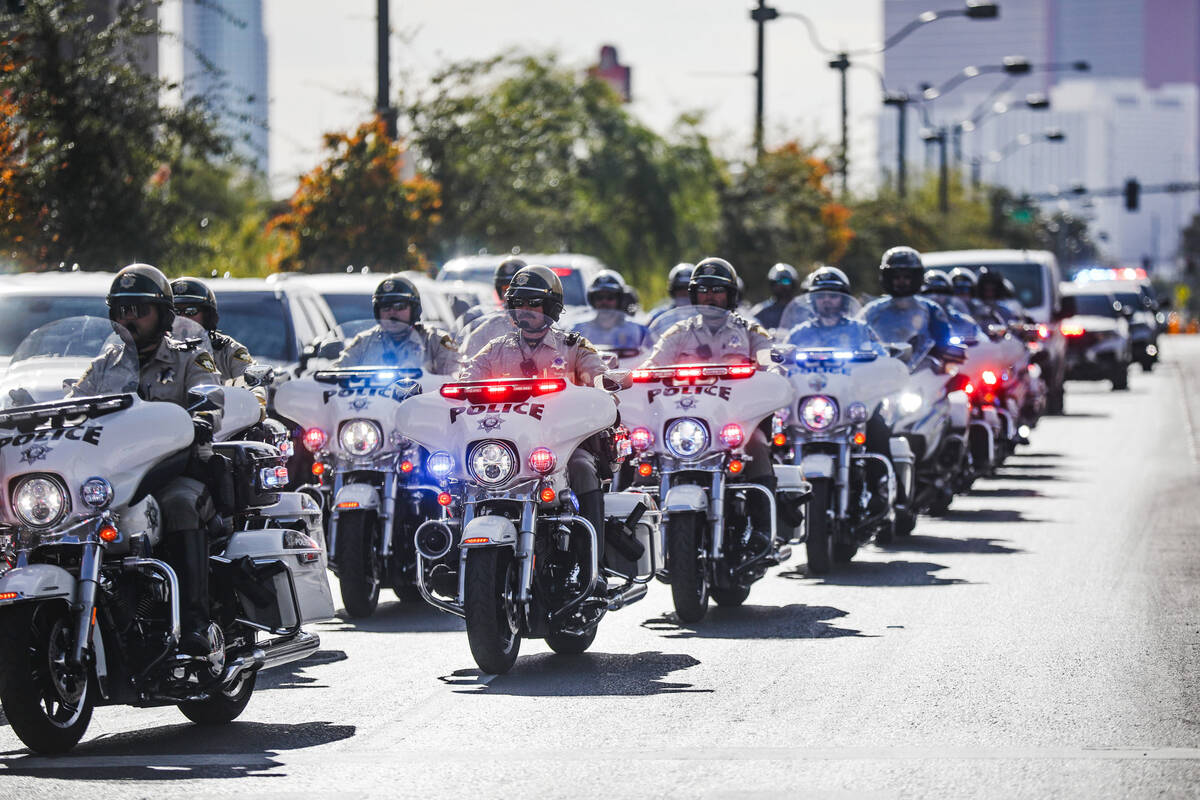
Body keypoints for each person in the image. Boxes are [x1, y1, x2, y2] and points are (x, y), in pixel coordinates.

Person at [71, 264, 223, 657]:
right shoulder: (105, 365)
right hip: (112, 478)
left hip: (172, 472)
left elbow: (210, 393)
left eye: (139, 309)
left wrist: (204, 416)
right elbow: (74, 403)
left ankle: (195, 623)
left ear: (164, 314)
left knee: (180, 505)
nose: (129, 318)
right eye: (121, 310)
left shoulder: (191, 356)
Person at [460, 265, 627, 566]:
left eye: (533, 303)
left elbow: (600, 377)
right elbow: (465, 381)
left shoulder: (573, 346)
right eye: (518, 303)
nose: (525, 310)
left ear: (551, 307)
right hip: (508, 449)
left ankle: (594, 563)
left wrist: (605, 385)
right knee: (457, 476)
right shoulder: (495, 349)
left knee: (583, 468)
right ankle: (452, 551)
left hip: (562, 448)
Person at [640, 257, 777, 544]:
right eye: (703, 289)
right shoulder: (678, 332)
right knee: (642, 452)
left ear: (730, 295)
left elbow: (769, 362)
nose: (710, 296)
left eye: (718, 289)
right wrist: (630, 379)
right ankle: (636, 529)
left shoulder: (750, 331)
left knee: (759, 445)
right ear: (693, 294)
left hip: (735, 421)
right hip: (686, 422)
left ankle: (764, 529)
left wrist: (772, 369)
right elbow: (651, 368)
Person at [334, 275, 460, 374]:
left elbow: (456, 376)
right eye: (385, 307)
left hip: (422, 406)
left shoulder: (438, 341)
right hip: (374, 406)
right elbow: (336, 374)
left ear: (414, 309)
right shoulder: (363, 342)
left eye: (399, 306)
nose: (392, 313)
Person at [861, 246, 953, 359]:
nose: (901, 281)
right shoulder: (872, 310)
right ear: (886, 278)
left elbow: (944, 344)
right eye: (896, 277)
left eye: (907, 277)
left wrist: (935, 354)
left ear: (917, 278)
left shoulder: (931, 309)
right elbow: (856, 339)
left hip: (923, 371)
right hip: (882, 371)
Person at [170, 277, 257, 384]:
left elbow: (249, 382)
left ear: (207, 316)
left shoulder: (228, 350)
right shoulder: (154, 349)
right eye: (176, 312)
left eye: (191, 311)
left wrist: (255, 392)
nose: (182, 318)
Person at [785, 266, 880, 350]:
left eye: (833, 296)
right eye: (820, 296)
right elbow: (780, 363)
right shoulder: (798, 334)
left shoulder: (861, 330)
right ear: (812, 300)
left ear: (844, 299)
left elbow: (882, 359)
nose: (826, 300)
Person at [571, 270, 649, 351]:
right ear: (592, 300)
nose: (604, 302)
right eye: (599, 297)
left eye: (610, 297)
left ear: (620, 299)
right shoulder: (579, 330)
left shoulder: (636, 330)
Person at [455, 256, 526, 330]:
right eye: (506, 288)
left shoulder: (535, 321)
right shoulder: (490, 322)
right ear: (499, 291)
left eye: (516, 289)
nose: (510, 294)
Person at [921, 269, 983, 342]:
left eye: (942, 292)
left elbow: (981, 339)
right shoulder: (913, 319)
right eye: (929, 292)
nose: (935, 296)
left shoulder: (964, 321)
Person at [751, 262, 800, 330]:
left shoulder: (802, 310)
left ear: (793, 284)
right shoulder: (761, 312)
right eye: (778, 282)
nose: (782, 285)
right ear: (772, 284)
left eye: (786, 281)